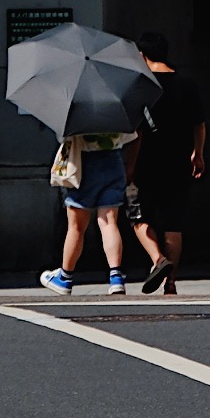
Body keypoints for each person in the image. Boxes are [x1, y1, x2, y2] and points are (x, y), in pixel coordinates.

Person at [130, 31, 205, 295]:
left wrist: (130, 167)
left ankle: (158, 259)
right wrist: (198, 153)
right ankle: (170, 283)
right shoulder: (187, 84)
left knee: (138, 216)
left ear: (142, 55)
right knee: (174, 223)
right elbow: (199, 123)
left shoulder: (141, 88)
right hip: (179, 162)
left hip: (147, 164)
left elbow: (137, 134)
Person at [39, 121, 136, 293]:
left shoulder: (78, 109)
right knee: (109, 222)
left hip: (84, 164)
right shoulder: (115, 107)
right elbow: (129, 135)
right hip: (113, 161)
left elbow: (63, 137)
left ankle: (65, 278)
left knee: (76, 226)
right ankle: (116, 277)